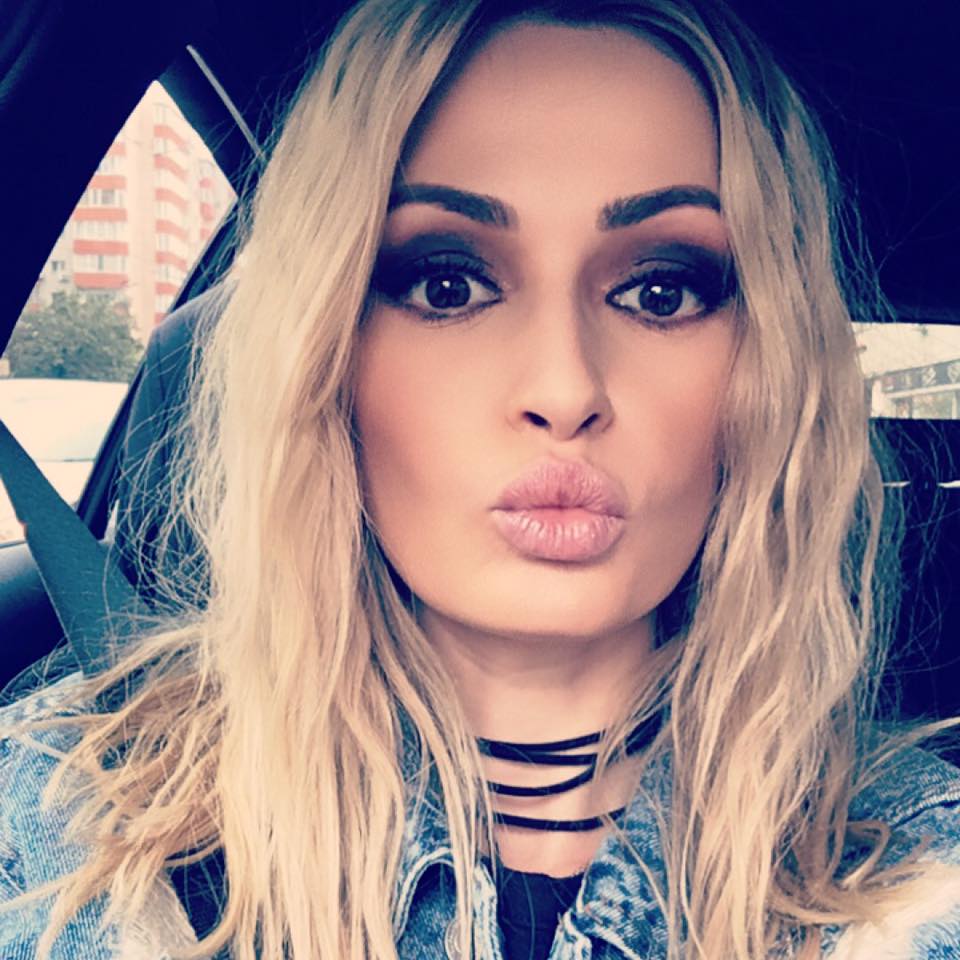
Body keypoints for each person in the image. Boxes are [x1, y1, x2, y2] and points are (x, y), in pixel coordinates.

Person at [2, 1, 960, 958]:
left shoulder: (916, 874)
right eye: (447, 284)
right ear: (324, 358)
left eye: (661, 291)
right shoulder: (66, 819)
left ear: (768, 374)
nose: (565, 390)